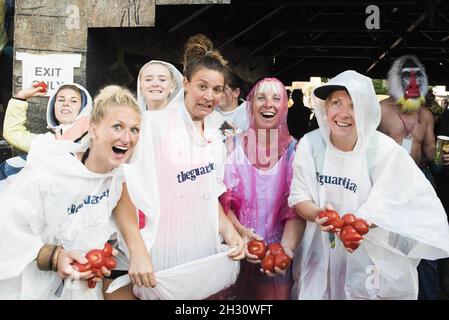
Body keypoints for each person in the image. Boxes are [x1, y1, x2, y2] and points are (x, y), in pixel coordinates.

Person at [105, 34, 245, 300]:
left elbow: (207, 193)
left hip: (199, 260)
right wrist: (136, 250)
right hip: (157, 259)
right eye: (202, 86)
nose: (209, 96)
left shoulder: (215, 134)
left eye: (217, 90)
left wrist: (229, 231)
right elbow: (119, 184)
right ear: (185, 83)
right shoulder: (152, 125)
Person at [288, 70, 449, 300]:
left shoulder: (383, 150)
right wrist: (319, 214)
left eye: (354, 105)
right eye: (336, 103)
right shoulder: (310, 145)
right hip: (321, 253)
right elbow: (299, 197)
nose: (344, 114)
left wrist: (360, 223)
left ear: (366, 110)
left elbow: (406, 198)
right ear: (325, 109)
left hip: (370, 262)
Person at [0, 85, 151, 299]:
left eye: (134, 129)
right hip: (37, 288)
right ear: (93, 130)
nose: (127, 139)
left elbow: (118, 214)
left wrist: (99, 260)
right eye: (117, 127)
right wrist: (53, 257)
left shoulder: (117, 178)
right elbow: (6, 225)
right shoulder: (52, 171)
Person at [219, 77, 305, 300]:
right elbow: (221, 201)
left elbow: (296, 207)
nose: (269, 104)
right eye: (261, 98)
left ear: (284, 106)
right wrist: (238, 235)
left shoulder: (295, 151)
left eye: (276, 98)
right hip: (233, 248)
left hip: (276, 255)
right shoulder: (230, 146)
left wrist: (284, 251)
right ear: (251, 105)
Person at [378, 55, 439, 299]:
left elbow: (430, 152)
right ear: (394, 80)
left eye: (417, 76)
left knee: (425, 246)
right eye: (406, 76)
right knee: (386, 246)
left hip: (419, 184)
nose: (413, 83)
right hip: (386, 186)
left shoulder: (425, 115)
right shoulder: (381, 110)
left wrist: (442, 159)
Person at [0, 83, 91, 180]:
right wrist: (20, 97)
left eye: (73, 101)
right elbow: (13, 133)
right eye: (61, 100)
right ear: (53, 106)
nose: (66, 103)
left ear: (84, 108)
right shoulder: (45, 142)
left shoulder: (94, 137)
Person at [205, 70, 249, 139]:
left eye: (222, 90)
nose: (217, 94)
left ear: (236, 92)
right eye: (216, 90)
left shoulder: (248, 113)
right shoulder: (207, 108)